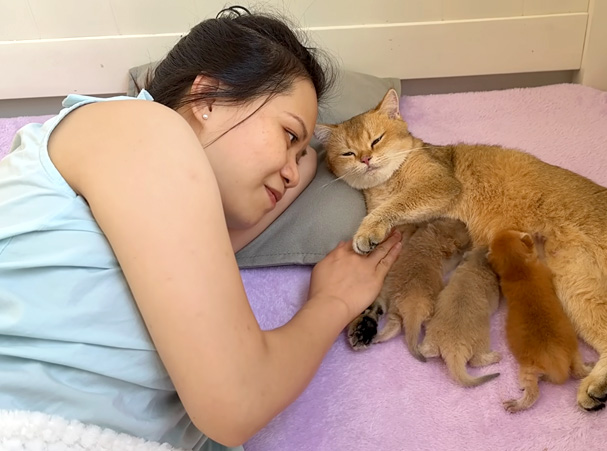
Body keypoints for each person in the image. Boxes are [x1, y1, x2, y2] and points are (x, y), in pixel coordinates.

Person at [0, 6, 402, 450]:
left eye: (300, 149)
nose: (292, 170)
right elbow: (238, 402)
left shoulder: (175, 222)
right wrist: (334, 301)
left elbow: (301, 167)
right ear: (207, 97)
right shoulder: (136, 128)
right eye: (289, 135)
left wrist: (298, 145)